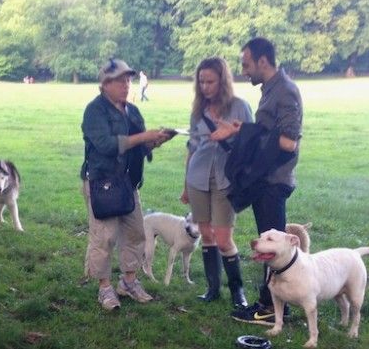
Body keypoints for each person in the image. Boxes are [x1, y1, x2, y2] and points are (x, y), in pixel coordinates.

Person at [210, 37, 303, 325]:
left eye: (246, 63)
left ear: (263, 61)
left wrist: (248, 133)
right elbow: (268, 132)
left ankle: (273, 308)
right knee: (267, 243)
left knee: (274, 247)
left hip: (273, 182)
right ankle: (269, 303)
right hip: (263, 180)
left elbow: (287, 142)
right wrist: (240, 130)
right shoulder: (270, 90)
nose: (244, 70)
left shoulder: (286, 91)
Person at [81, 58, 173, 311]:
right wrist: (143, 136)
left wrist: (155, 141)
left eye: (128, 80)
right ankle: (104, 288)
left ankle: (128, 282)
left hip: (128, 183)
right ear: (105, 84)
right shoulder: (95, 111)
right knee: (104, 237)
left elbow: (138, 147)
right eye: (120, 80)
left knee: (135, 233)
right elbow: (107, 145)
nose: (126, 85)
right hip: (102, 182)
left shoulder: (132, 111)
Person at [179, 57, 253, 309]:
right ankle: (212, 289)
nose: (205, 86)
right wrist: (185, 184)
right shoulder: (198, 111)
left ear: (223, 81)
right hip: (198, 177)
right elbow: (192, 147)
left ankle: (237, 292)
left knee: (223, 238)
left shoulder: (240, 107)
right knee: (206, 234)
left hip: (225, 178)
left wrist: (233, 134)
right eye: (201, 81)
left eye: (210, 81)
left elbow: (251, 144)